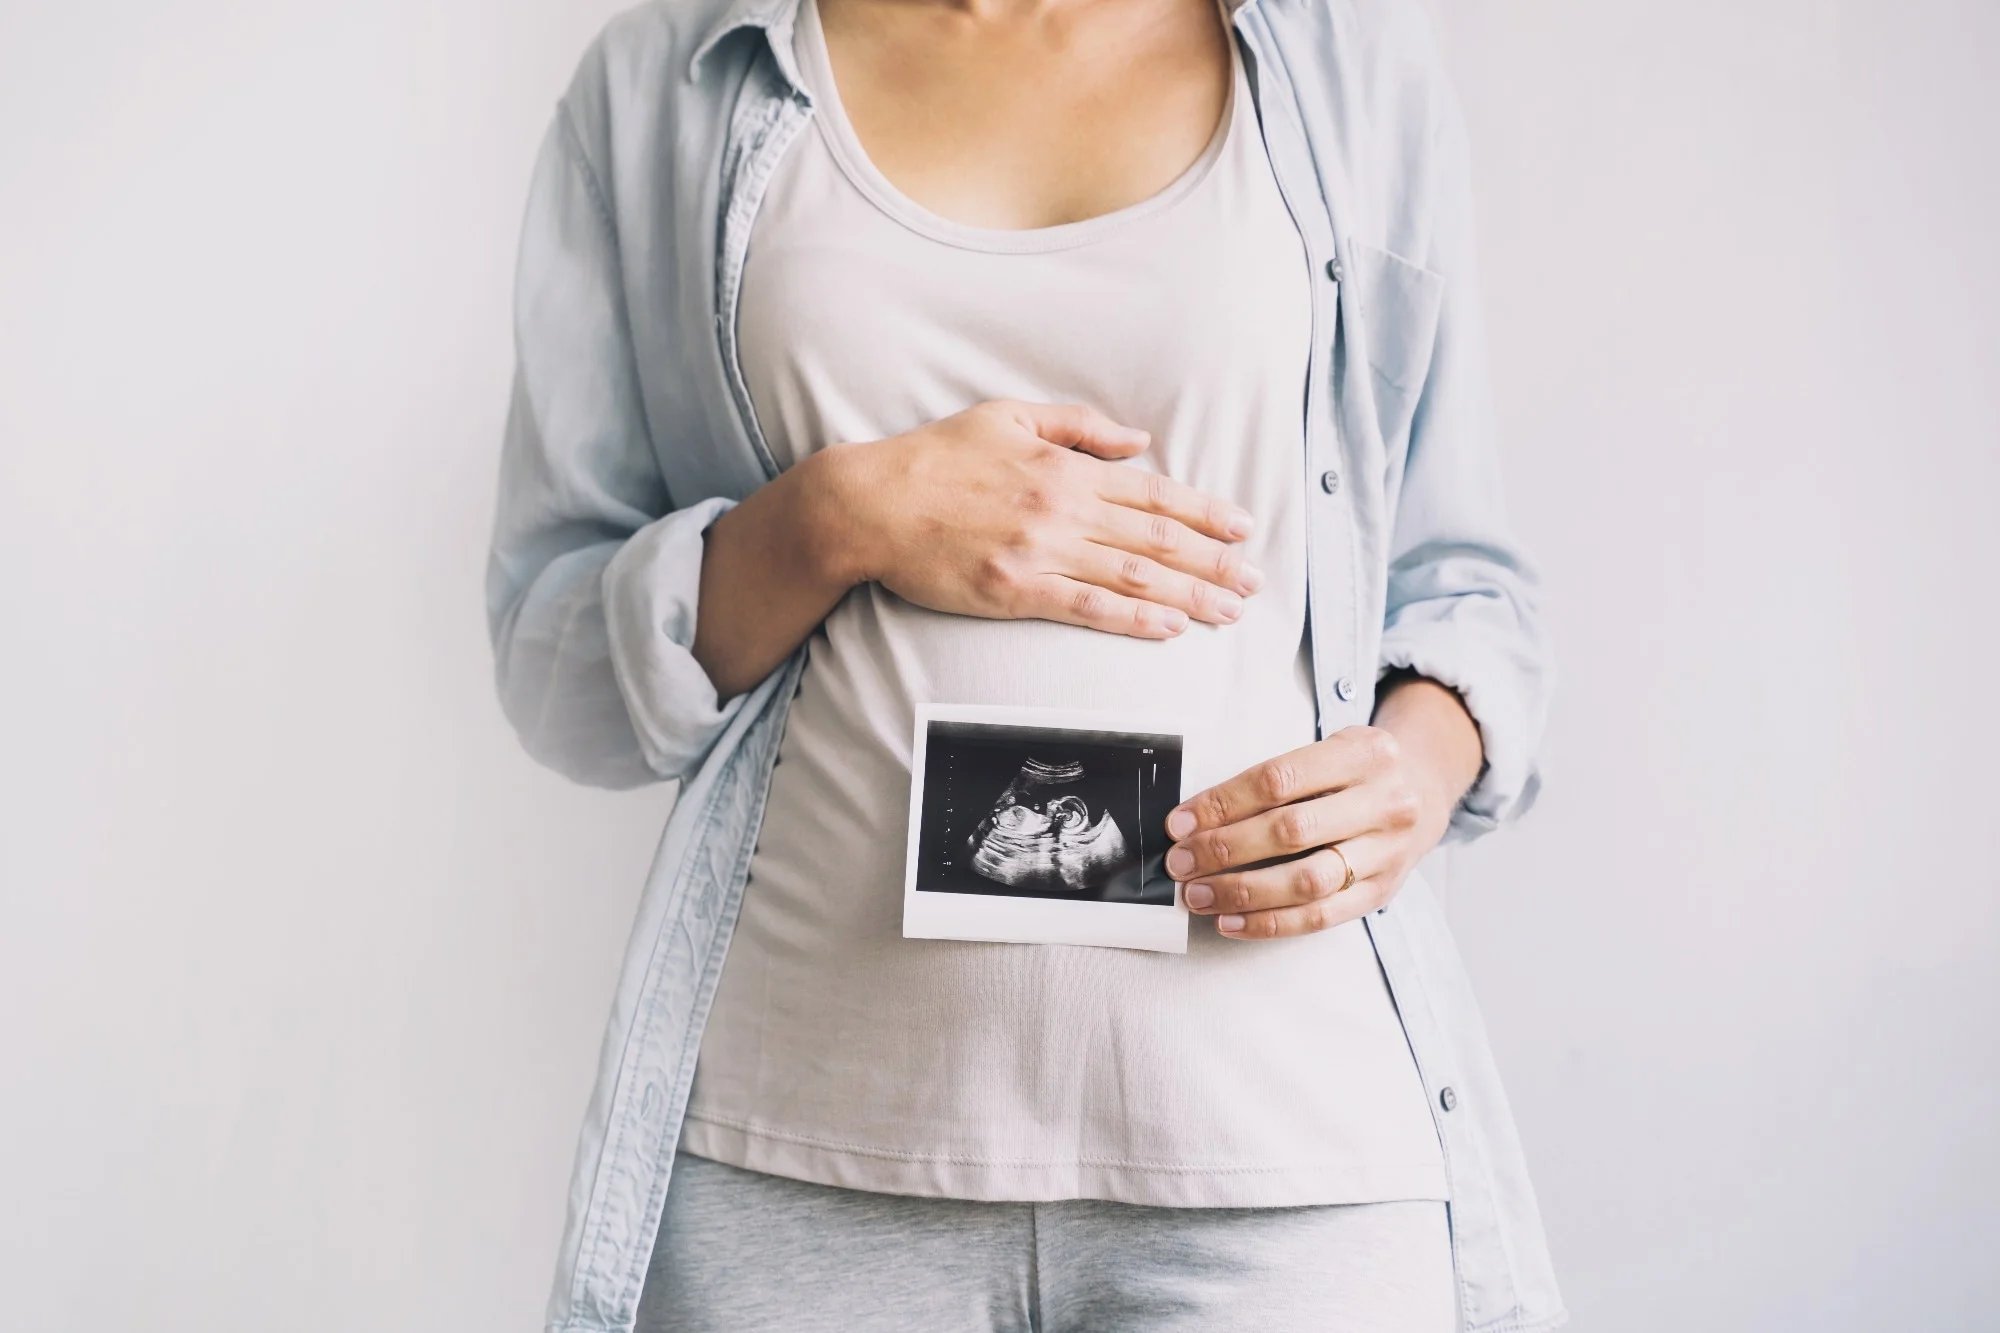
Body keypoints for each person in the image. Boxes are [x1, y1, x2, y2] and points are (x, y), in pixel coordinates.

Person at [487, 0, 1563, 1328]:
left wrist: (1416, 765)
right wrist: (837, 519)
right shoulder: (678, 76)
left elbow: (1464, 586)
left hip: (1280, 1151)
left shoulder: (1345, 56)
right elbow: (556, 662)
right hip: (807, 1160)